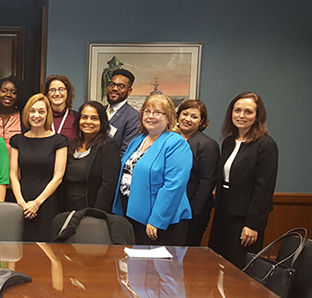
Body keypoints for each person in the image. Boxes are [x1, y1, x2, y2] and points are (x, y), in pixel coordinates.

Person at [209, 92, 278, 269]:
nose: (241, 115)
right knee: (217, 266)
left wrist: (252, 225)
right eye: (237, 110)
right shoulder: (229, 142)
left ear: (257, 116)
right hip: (223, 215)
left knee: (238, 271)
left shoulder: (265, 145)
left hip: (245, 221)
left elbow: (264, 189)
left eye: (248, 112)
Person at [112, 94, 192, 246]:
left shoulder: (176, 143)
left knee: (158, 269)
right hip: (132, 214)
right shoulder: (138, 140)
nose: (150, 116)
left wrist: (157, 220)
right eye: (147, 111)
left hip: (160, 222)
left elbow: (174, 186)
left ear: (168, 117)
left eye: (157, 112)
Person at [10, 94, 68, 242]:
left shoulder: (59, 141)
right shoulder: (17, 140)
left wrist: (37, 203)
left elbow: (58, 177)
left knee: (47, 249)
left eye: (41, 111)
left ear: (47, 114)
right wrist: (22, 204)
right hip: (21, 201)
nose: (36, 115)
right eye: (32, 111)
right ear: (27, 113)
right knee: (20, 248)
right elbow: (13, 175)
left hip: (47, 202)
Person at [59, 101, 120, 213]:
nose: (88, 122)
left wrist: (94, 214)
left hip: (91, 211)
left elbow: (108, 185)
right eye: (84, 117)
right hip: (66, 210)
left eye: (94, 118)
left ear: (102, 122)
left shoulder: (108, 146)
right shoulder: (70, 145)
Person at [176, 99, 220, 246]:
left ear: (201, 122)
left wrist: (192, 211)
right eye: (185, 114)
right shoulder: (169, 139)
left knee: (186, 253)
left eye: (194, 116)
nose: (188, 119)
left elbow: (207, 181)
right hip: (170, 207)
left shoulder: (207, 145)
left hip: (193, 210)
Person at [105, 69, 141, 156]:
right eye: (112, 84)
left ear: (129, 91)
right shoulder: (100, 111)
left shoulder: (134, 117)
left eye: (120, 86)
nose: (114, 88)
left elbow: (126, 152)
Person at [0, 75, 28, 152]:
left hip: (16, 163)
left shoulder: (24, 118)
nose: (8, 95)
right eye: (4, 91)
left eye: (13, 92)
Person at [43, 75, 77, 140]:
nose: (57, 93)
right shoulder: (42, 117)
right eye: (53, 90)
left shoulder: (76, 118)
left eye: (61, 89)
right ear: (47, 94)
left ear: (68, 92)